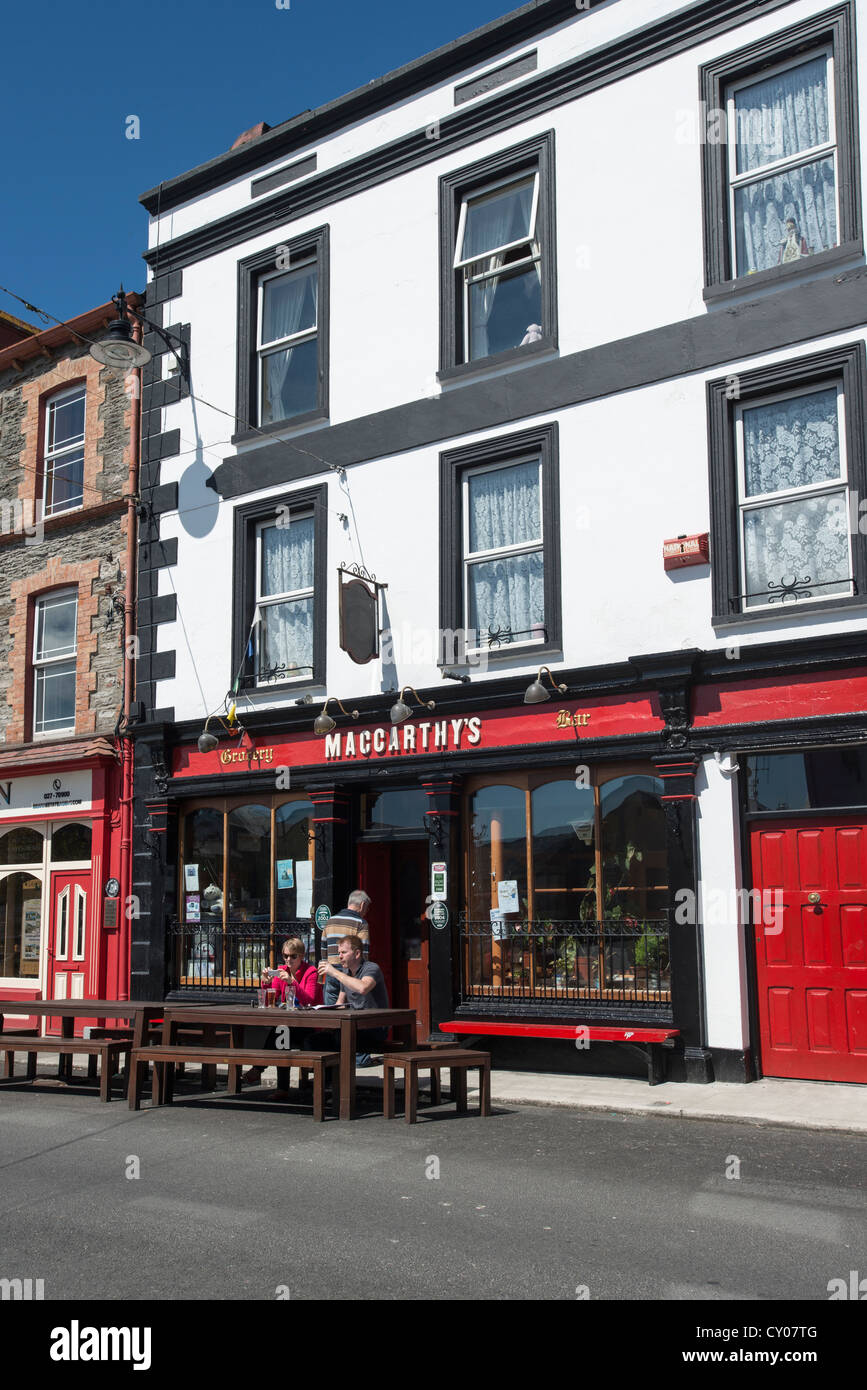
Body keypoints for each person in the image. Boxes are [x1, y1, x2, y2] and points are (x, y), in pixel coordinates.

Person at [243, 937, 322, 1088]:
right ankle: (280, 1086)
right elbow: (270, 1001)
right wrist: (266, 983)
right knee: (282, 1033)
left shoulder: (311, 972)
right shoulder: (282, 971)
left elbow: (309, 1000)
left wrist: (292, 982)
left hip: (310, 1024)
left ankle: (261, 1071)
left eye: (293, 956)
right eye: (285, 956)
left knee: (281, 1032)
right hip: (290, 1023)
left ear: (301, 956)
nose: (288, 960)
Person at [318, 933, 389, 1067]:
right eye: (339, 953)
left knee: (339, 1039)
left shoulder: (371, 968)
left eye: (344, 952)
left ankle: (347, 1073)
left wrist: (335, 973)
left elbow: (363, 988)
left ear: (357, 954)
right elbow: (340, 1004)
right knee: (315, 1041)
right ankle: (326, 1083)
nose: (340, 956)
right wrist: (321, 1011)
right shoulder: (346, 974)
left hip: (374, 1027)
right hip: (355, 1026)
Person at [319, 890, 371, 1005]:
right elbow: (363, 953)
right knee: (351, 1013)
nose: (366, 912)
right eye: (367, 908)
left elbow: (323, 948)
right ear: (362, 905)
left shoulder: (330, 921)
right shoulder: (361, 923)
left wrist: (326, 968)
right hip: (351, 974)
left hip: (331, 971)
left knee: (331, 1013)